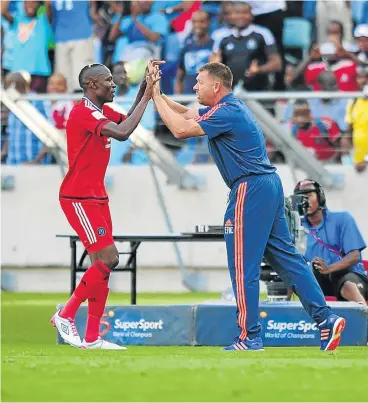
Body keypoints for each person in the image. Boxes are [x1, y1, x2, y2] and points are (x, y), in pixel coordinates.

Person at [152, 61, 346, 351]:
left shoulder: (226, 112)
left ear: (216, 86)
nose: (194, 87)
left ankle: (249, 336)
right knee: (288, 260)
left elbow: (180, 129)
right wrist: (158, 92)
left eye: (199, 82)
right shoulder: (229, 108)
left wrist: (154, 98)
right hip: (267, 185)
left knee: (243, 267)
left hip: (249, 189)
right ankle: (326, 319)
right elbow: (188, 113)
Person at [51, 60, 161, 350]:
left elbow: (127, 120)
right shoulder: (82, 113)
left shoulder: (101, 110)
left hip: (96, 196)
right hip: (79, 198)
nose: (114, 84)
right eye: (109, 80)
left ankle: (91, 338)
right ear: (92, 85)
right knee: (109, 259)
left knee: (103, 264)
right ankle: (65, 314)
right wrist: (148, 95)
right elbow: (123, 132)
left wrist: (146, 86)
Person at [294, 179, 368, 304]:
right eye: (301, 197)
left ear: (320, 197)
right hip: (317, 280)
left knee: (348, 285)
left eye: (309, 196)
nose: (305, 201)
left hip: (349, 276)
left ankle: (364, 318)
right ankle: (279, 318)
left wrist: (328, 268)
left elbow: (354, 256)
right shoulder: (296, 227)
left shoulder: (343, 219)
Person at [344, 66, 368, 172]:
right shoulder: (353, 101)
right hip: (359, 151)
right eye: (360, 77)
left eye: (365, 77)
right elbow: (350, 126)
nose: (363, 81)